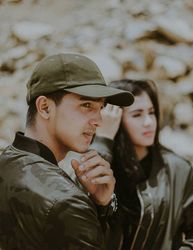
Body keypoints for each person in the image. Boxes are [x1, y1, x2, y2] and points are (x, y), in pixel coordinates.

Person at [0, 54, 134, 250]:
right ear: (45, 108)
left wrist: (101, 204)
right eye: (86, 105)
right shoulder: (67, 201)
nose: (98, 120)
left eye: (101, 107)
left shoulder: (5, 161)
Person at [92, 79, 193, 250]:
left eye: (152, 112)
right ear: (114, 119)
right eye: (137, 115)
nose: (149, 122)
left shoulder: (177, 169)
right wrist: (103, 140)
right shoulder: (96, 158)